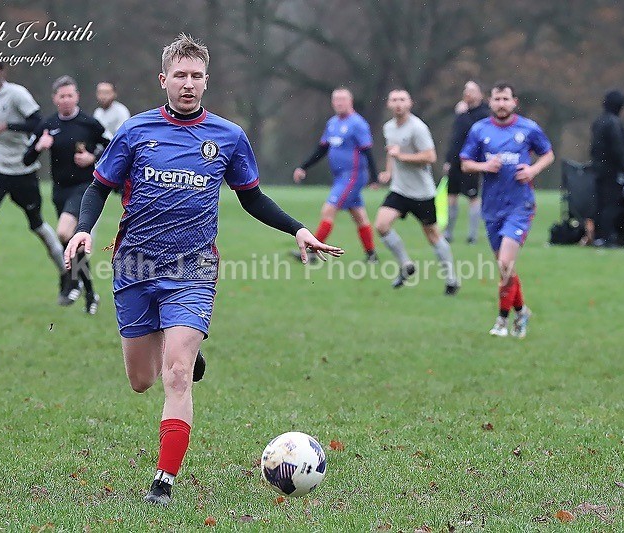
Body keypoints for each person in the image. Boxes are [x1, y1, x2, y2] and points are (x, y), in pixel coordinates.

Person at [63, 34, 342, 505]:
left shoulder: (228, 137)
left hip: (193, 267)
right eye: (180, 76)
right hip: (133, 264)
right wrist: (85, 229)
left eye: (196, 76)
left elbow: (251, 197)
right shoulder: (135, 131)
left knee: (174, 374)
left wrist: (297, 230)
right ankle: (182, 352)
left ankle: (163, 482)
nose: (188, 84)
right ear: (164, 79)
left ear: (206, 80)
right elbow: (99, 188)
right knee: (141, 381)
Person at [0, 59, 66, 303]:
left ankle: (65, 271)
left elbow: (38, 123)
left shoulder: (17, 94)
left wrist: (8, 126)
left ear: (2, 72)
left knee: (37, 225)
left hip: (23, 171)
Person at [460, 81, 554, 338]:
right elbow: (465, 163)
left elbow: (548, 154)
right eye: (497, 99)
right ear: (490, 102)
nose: (501, 104)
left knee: (504, 263)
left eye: (506, 99)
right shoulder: (479, 130)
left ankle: (502, 321)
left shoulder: (528, 128)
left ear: (514, 102)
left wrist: (533, 169)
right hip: (491, 207)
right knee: (506, 268)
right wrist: (484, 166)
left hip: (520, 206)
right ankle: (521, 311)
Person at [23, 75, 110, 312]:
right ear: (54, 99)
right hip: (59, 191)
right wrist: (40, 147)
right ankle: (90, 293)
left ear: (77, 97)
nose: (66, 100)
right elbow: (26, 158)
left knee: (64, 232)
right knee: (76, 244)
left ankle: (72, 282)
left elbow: (113, 148)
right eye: (61, 96)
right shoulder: (48, 125)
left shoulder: (89, 124)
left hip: (86, 189)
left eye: (70, 95)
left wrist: (93, 157)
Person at [375, 89, 459, 294]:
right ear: (388, 104)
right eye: (394, 100)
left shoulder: (418, 128)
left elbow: (430, 157)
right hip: (400, 190)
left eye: (402, 100)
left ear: (410, 103)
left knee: (432, 236)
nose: (398, 104)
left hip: (422, 193)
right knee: (381, 225)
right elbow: (391, 152)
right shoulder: (389, 128)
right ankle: (406, 265)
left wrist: (402, 157)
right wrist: (388, 172)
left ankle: (451, 280)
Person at [293, 88, 379, 262]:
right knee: (359, 216)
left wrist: (374, 178)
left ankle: (312, 253)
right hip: (340, 177)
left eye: (343, 99)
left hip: (353, 176)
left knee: (328, 210)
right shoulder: (332, 123)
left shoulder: (358, 124)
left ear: (350, 101)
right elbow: (322, 149)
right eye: (336, 100)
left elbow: (368, 151)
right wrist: (304, 167)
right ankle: (372, 255)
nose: (339, 103)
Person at [443, 81, 489, 244]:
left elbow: (474, 132)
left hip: (472, 161)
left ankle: (472, 235)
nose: (468, 93)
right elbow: (455, 137)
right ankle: (448, 232)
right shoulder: (461, 112)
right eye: (466, 90)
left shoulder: (484, 113)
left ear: (480, 94)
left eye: (472, 90)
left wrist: (462, 114)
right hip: (456, 161)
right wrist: (448, 159)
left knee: (473, 196)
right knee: (451, 196)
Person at [590, 89, 624, 247]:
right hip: (611, 170)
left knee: (600, 203)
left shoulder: (599, 121)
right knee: (611, 204)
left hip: (598, 168)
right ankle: (607, 237)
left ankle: (598, 236)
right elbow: (618, 150)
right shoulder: (614, 123)